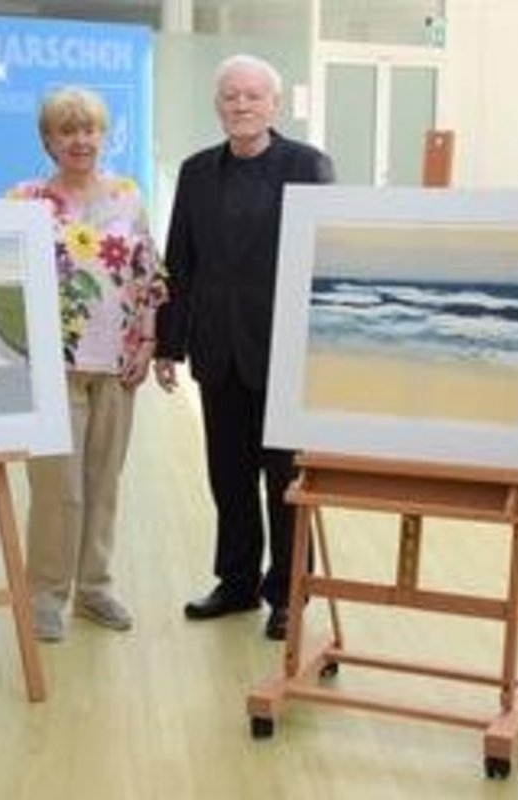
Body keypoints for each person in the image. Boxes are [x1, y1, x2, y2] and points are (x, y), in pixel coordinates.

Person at [154, 54, 335, 641]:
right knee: (227, 476)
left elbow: (327, 260)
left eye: (253, 96)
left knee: (285, 479)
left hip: (284, 353)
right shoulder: (196, 171)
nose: (241, 105)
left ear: (274, 105)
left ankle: (288, 593)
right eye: (230, 95)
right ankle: (235, 583)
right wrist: (168, 342)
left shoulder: (308, 166)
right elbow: (180, 258)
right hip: (217, 348)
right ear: (217, 104)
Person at [9, 87, 167, 643]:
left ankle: (95, 587)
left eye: (90, 129)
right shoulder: (25, 199)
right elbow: (6, 284)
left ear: (104, 135)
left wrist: (147, 341)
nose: (81, 140)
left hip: (118, 362)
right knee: (58, 489)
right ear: (48, 140)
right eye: (67, 130)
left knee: (104, 482)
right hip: (52, 369)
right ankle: (45, 594)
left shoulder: (128, 195)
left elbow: (149, 272)